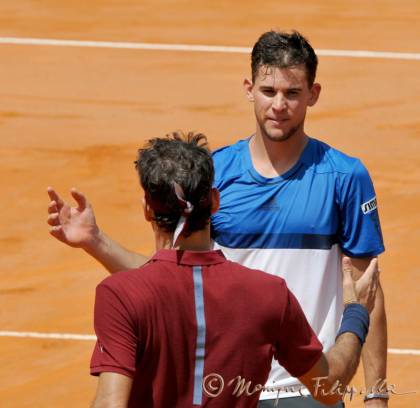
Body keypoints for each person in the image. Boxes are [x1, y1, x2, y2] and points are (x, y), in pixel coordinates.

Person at [47, 31, 387, 407]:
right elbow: (172, 278)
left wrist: (376, 394)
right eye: (268, 91)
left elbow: (366, 288)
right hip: (232, 388)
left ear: (313, 94)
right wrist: (96, 240)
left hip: (310, 385)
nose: (279, 105)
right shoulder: (215, 173)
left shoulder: (345, 177)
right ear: (249, 88)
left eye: (292, 93)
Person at [87, 132, 378, 407]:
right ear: (215, 201)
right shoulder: (269, 293)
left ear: (147, 209)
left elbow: (110, 403)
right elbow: (327, 387)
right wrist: (356, 313)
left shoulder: (119, 294)